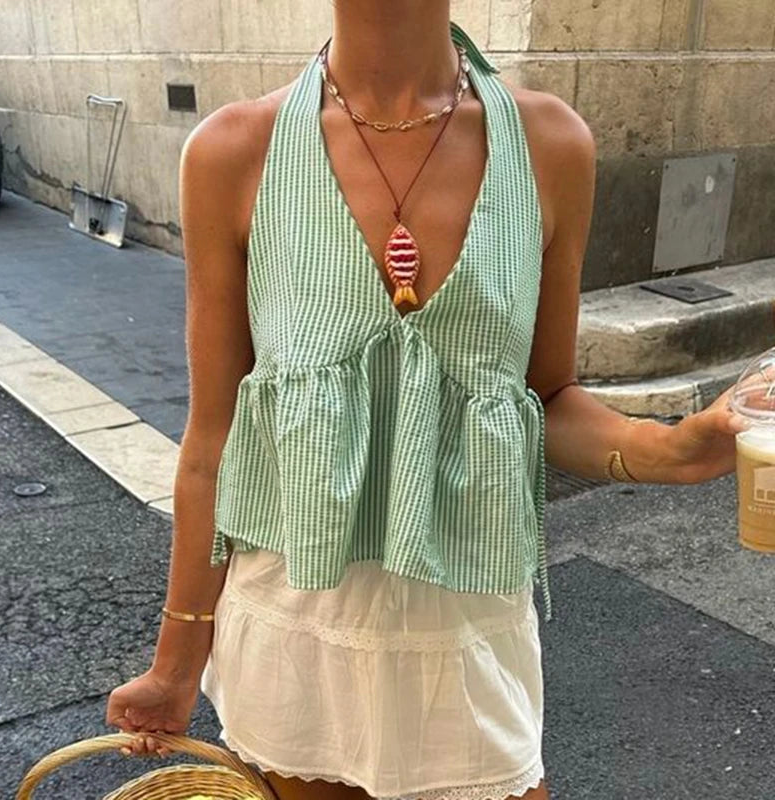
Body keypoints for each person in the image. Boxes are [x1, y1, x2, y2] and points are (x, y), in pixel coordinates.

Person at [105, 3, 749, 799]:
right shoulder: (234, 152)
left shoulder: (548, 144)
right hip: (296, 632)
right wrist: (176, 665)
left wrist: (672, 448)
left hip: (465, 637)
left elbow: (547, 396)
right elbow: (214, 442)